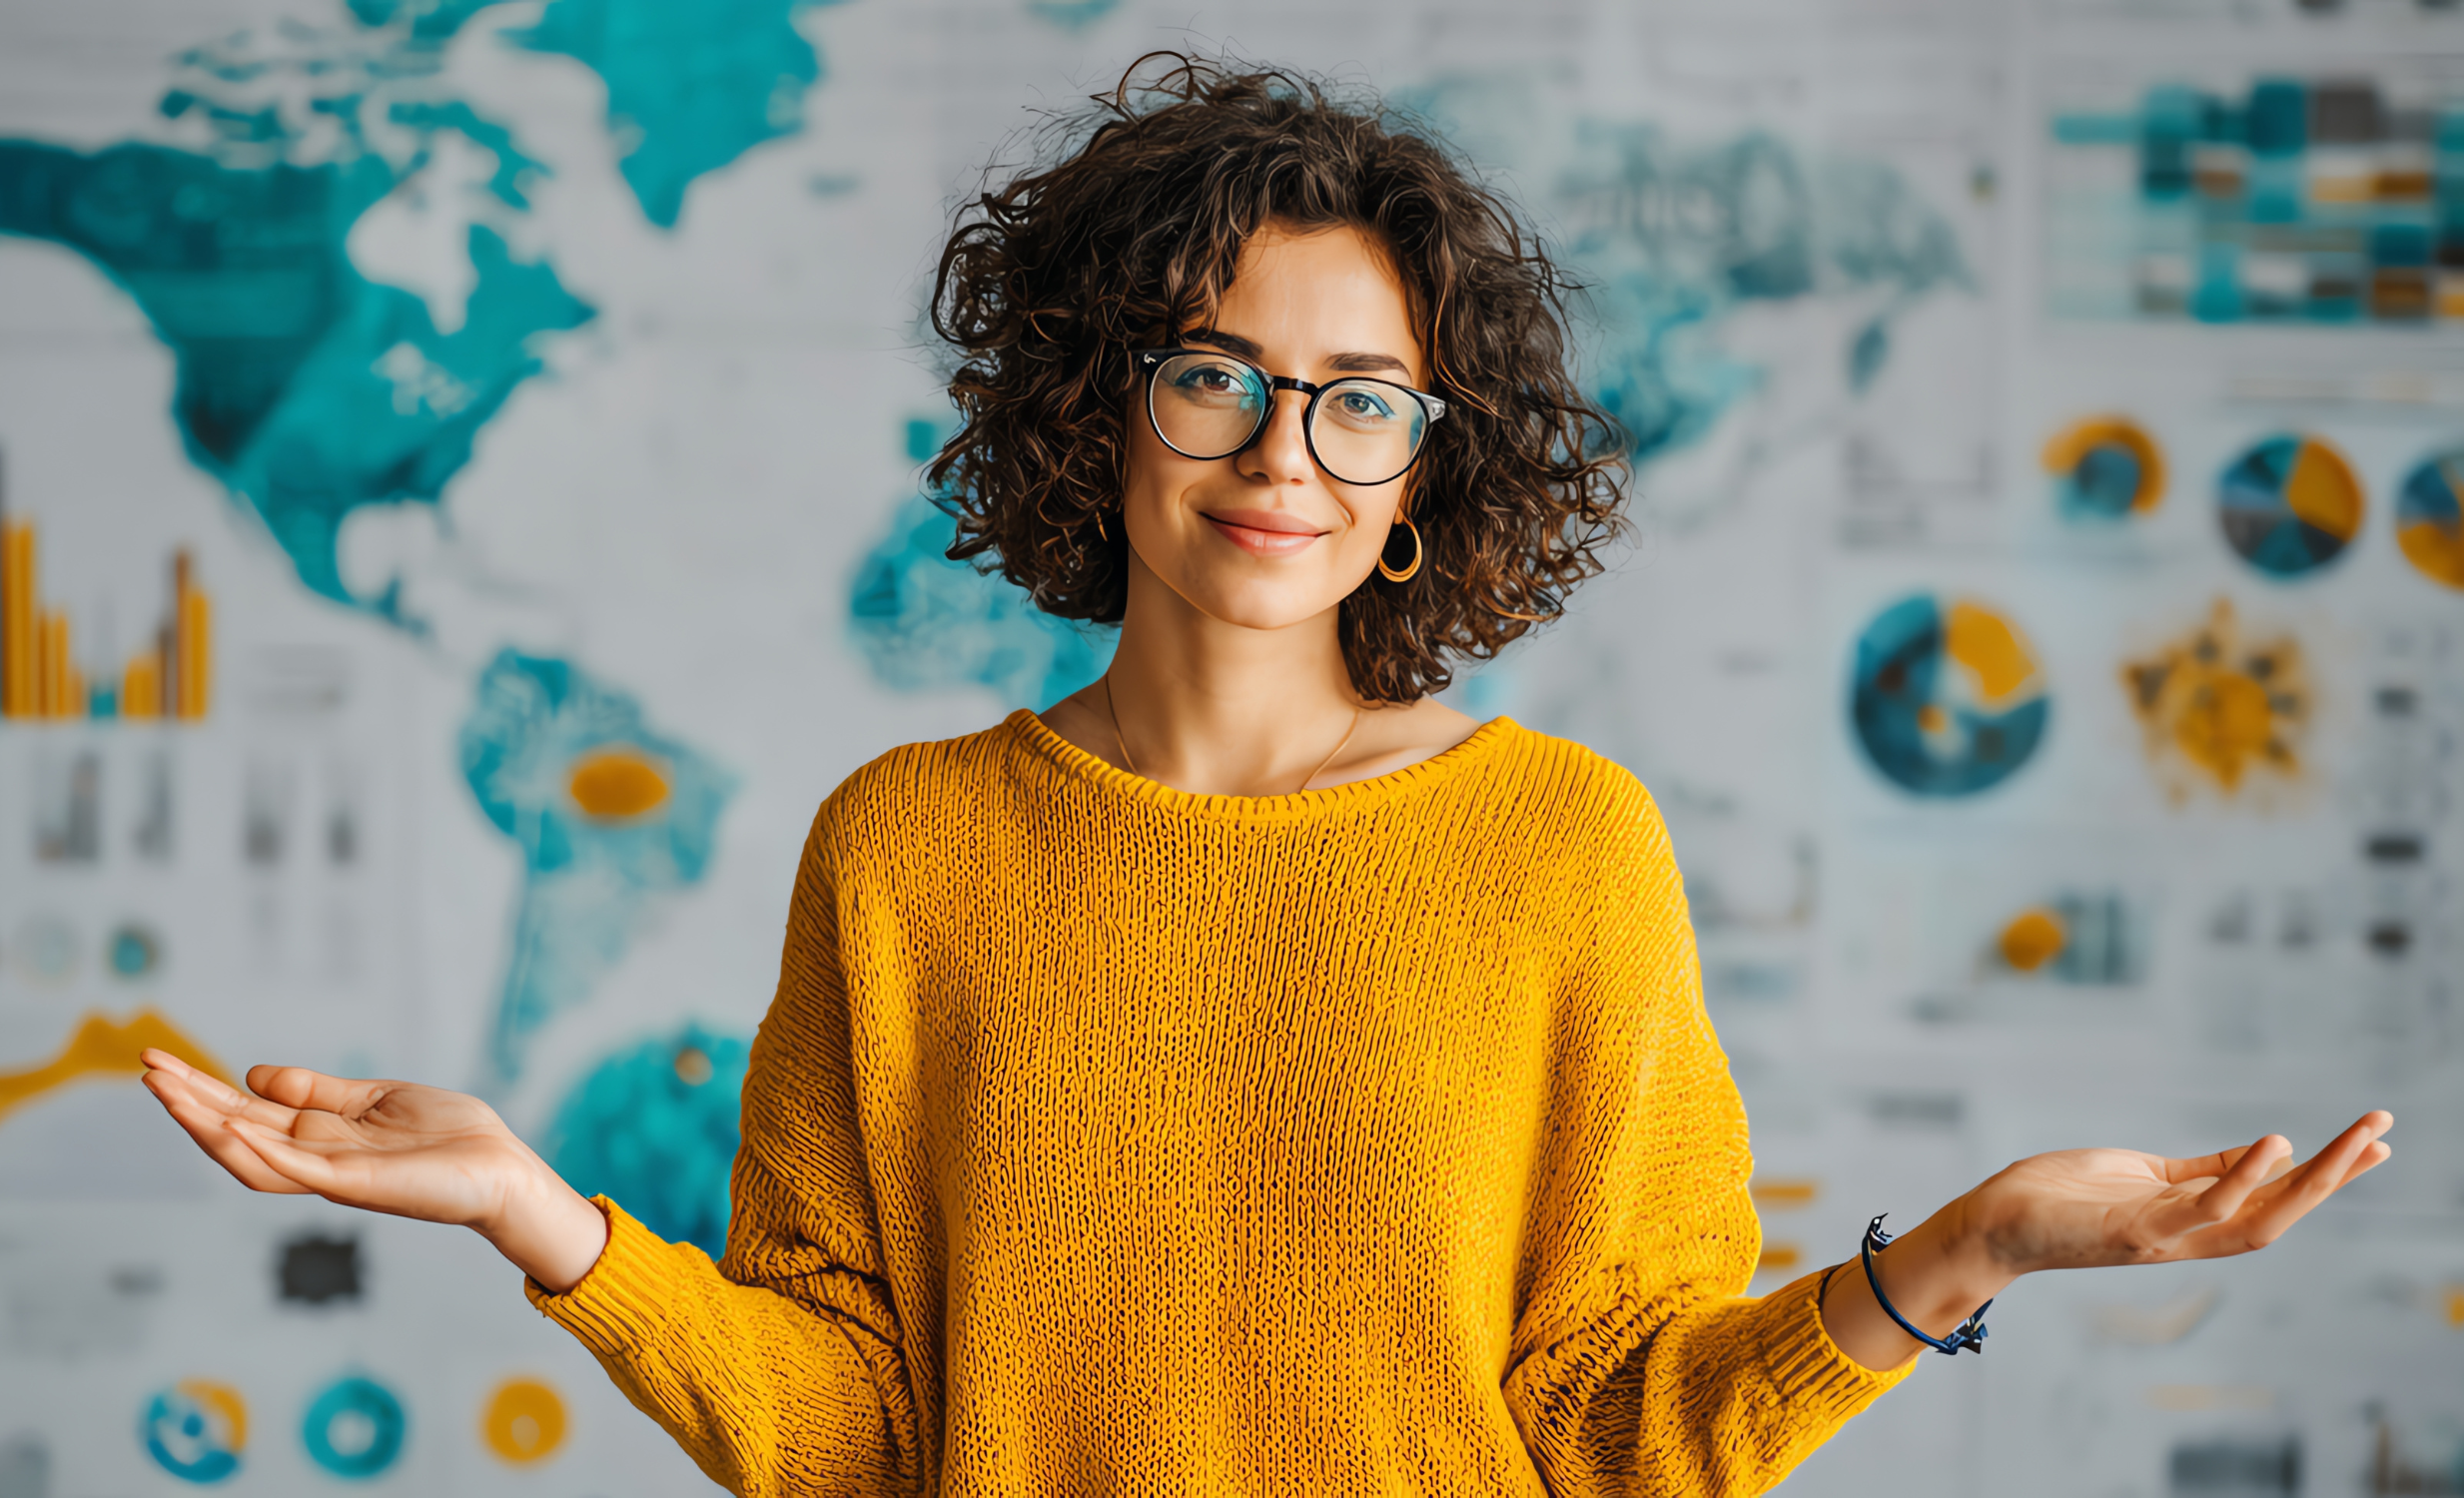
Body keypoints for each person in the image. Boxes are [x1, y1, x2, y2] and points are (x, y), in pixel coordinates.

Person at [142, 56, 2392, 1498]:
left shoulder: (1559, 848)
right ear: (1096, 406)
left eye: (1359, 397)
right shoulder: (902, 847)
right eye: (1212, 373)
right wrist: (541, 1215)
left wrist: (1977, 1239)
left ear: (1427, 465)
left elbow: (1623, 1428)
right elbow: (850, 1431)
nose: (1280, 456)